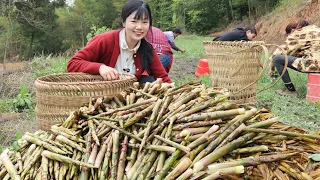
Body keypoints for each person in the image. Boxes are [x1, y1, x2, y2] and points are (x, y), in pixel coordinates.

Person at [67, 0, 171, 83]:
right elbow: (73, 64)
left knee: (149, 81)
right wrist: (100, 68)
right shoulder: (105, 40)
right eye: (134, 21)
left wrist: (176, 94)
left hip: (127, 101)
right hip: (101, 97)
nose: (139, 27)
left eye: (144, 22)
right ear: (124, 22)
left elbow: (162, 77)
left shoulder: (147, 49)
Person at [269, 19, 320, 96]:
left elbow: (278, 53)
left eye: (288, 35)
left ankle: (290, 90)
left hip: (315, 65)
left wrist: (272, 69)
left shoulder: (297, 33)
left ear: (292, 31)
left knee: (277, 59)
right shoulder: (316, 29)